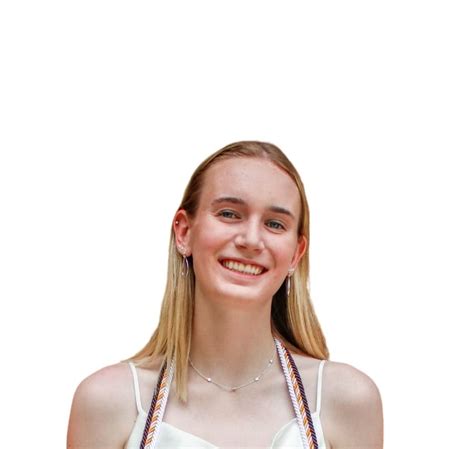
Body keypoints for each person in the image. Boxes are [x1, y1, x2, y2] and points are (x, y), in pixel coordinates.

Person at [67, 141, 383, 449]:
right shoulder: (109, 404)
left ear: (296, 254)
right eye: (229, 214)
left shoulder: (346, 402)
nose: (251, 240)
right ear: (184, 232)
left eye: (275, 224)